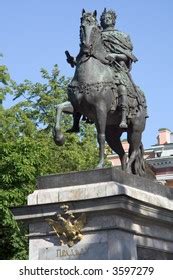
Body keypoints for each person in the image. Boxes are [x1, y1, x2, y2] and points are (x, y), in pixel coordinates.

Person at [100, 8, 138, 128]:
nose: (106, 20)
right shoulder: (96, 35)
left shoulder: (122, 36)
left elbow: (128, 55)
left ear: (113, 20)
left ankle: (123, 116)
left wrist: (115, 55)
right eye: (104, 18)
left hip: (117, 68)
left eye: (109, 18)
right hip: (101, 67)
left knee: (122, 87)